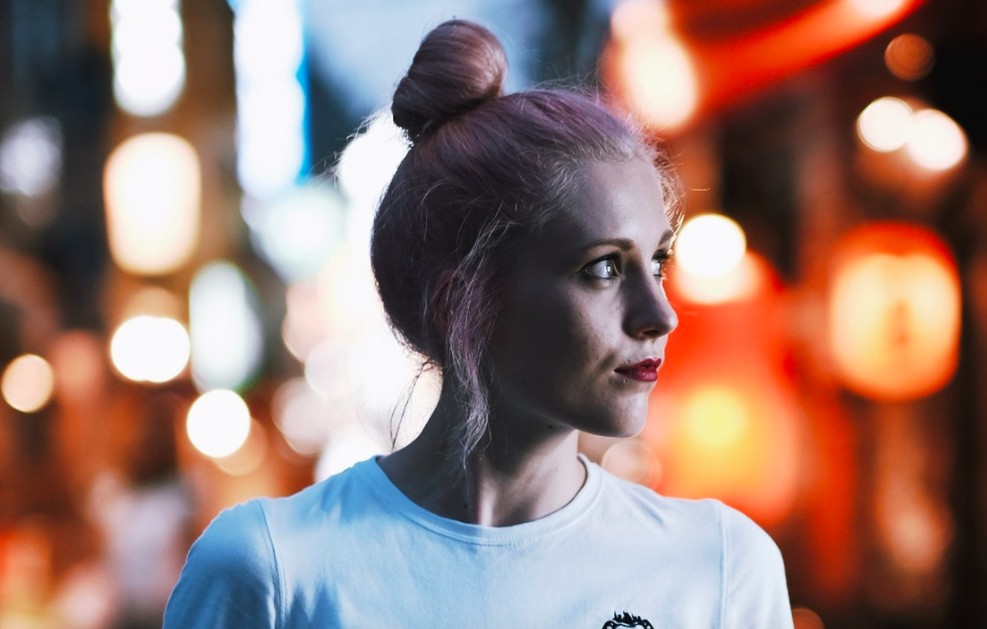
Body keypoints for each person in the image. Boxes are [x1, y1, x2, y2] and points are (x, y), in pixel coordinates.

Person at [163, 19, 794, 628]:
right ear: (461, 300)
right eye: (602, 268)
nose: (660, 314)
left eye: (656, 262)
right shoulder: (272, 571)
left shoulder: (718, 569)